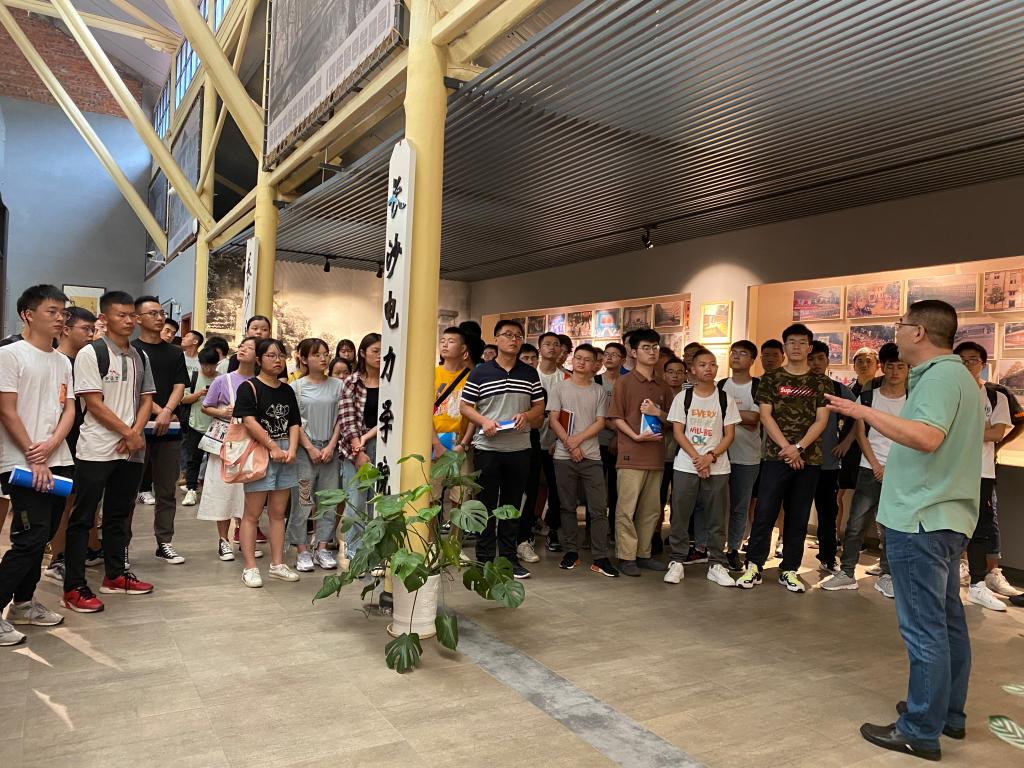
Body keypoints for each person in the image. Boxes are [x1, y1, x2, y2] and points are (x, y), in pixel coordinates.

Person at [826, 300, 982, 761]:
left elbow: (926, 437)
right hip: (943, 517)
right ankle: (945, 712)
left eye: (900, 325)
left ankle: (919, 729)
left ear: (918, 332)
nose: (895, 333)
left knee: (925, 628)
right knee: (946, 622)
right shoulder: (958, 377)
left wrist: (864, 413)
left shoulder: (939, 377)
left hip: (921, 519)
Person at [64, 291, 156, 613]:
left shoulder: (140, 356)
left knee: (119, 515)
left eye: (132, 315)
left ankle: (115, 575)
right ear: (104, 318)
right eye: (121, 315)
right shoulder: (92, 353)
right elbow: (93, 403)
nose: (129, 321)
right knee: (83, 518)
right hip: (97, 448)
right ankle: (74, 587)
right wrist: (128, 433)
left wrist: (135, 433)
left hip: (131, 450)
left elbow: (147, 398)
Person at [0, 285, 77, 645]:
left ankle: (23, 604)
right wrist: (35, 454)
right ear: (28, 315)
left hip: (57, 458)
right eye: (52, 311)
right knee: (29, 538)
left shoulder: (62, 361)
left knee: (44, 535)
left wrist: (52, 446)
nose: (60, 318)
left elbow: (69, 409)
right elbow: (6, 410)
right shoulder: (10, 355)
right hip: (21, 461)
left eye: (63, 312)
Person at [736, 323, 829, 593]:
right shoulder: (771, 378)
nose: (796, 347)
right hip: (775, 457)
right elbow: (766, 416)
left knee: (798, 516)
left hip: (808, 459)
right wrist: (788, 448)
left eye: (802, 342)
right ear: (785, 346)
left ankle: (789, 569)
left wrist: (799, 447)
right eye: (791, 342)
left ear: (809, 348)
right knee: (765, 511)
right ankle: (754, 565)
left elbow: (821, 420)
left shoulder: (820, 381)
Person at [820, 343, 907, 596]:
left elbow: (910, 436)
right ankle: (847, 572)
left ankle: (887, 574)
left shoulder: (914, 400)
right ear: (883, 368)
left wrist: (890, 467)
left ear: (907, 369)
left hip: (900, 472)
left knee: (892, 526)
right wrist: (876, 465)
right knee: (856, 523)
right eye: (890, 366)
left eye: (900, 366)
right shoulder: (869, 398)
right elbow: (861, 434)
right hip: (869, 468)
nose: (894, 371)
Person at [460, 320, 544, 579]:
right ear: (496, 339)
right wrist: (484, 421)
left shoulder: (529, 373)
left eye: (518, 335)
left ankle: (508, 559)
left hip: (519, 449)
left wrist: (526, 416)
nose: (514, 339)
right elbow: (465, 406)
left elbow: (539, 407)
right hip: (488, 448)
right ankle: (485, 558)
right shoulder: (481, 372)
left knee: (511, 506)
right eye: (508, 334)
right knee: (485, 505)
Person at [664, 347, 740, 588]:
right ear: (693, 370)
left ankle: (717, 563)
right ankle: (677, 560)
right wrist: (698, 459)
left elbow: (729, 435)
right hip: (687, 465)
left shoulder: (725, 399)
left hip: (718, 467)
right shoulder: (683, 398)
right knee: (680, 513)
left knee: (717, 517)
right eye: (703, 364)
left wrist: (710, 457)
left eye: (713, 364)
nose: (709, 368)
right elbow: (678, 432)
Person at [954, 341, 1021, 608]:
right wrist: (980, 429)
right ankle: (950, 576)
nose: (967, 364)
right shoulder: (948, 392)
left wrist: (960, 430)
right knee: (949, 524)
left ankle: (978, 583)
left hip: (980, 470)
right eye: (961, 360)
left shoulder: (996, 396)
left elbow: (996, 433)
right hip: (948, 469)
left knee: (981, 526)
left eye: (973, 359)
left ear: (982, 364)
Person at [234, 338, 303, 588]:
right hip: (260, 451)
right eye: (271, 355)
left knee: (277, 513)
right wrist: (273, 446)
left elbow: (294, 422)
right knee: (252, 514)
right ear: (259, 359)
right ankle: (250, 567)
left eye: (281, 355)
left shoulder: (287, 390)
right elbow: (249, 421)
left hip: (284, 452)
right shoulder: (249, 387)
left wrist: (292, 448)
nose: (277, 360)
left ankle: (277, 564)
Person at [606, 329, 675, 577]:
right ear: (633, 352)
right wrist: (634, 436)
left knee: (651, 509)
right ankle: (626, 556)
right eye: (646, 347)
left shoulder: (663, 385)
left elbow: (672, 420)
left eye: (655, 347)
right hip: (630, 454)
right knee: (626, 509)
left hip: (656, 456)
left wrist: (658, 412)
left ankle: (643, 553)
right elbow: (615, 417)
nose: (652, 352)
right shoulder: (624, 382)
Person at [547, 343, 618, 577]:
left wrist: (576, 442)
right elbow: (554, 419)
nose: (581, 362)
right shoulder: (559, 388)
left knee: (598, 508)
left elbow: (600, 422)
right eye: (578, 358)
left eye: (587, 359)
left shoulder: (598, 391)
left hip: (591, 455)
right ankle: (571, 552)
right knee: (567, 506)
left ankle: (600, 556)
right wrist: (569, 444)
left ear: (595, 365)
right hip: (563, 456)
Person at [131, 296, 190, 565]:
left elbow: (180, 385)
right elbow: (136, 388)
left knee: (167, 490)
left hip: (170, 429)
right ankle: (122, 547)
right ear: (138, 318)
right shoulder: (131, 351)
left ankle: (164, 542)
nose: (159, 318)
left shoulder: (174, 353)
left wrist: (167, 411)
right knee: (128, 491)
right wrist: (157, 411)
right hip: (137, 428)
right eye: (152, 313)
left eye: (161, 313)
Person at [43, 306, 99, 585]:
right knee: (62, 502)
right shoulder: (56, 362)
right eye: (85, 329)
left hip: (82, 439)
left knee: (78, 500)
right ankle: (58, 558)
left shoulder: (83, 362)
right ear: (66, 330)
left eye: (93, 330)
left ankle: (84, 550)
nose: (91, 335)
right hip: (57, 441)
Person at [197, 337, 258, 561]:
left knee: (247, 493)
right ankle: (223, 540)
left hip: (251, 443)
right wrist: (223, 412)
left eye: (249, 348)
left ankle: (245, 538)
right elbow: (206, 407)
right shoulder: (223, 380)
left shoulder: (260, 382)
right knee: (222, 490)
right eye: (242, 346)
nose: (242, 349)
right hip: (226, 442)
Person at [286, 338, 343, 572]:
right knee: (303, 501)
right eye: (316, 354)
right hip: (304, 452)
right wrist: (309, 447)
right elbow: (294, 422)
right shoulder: (296, 387)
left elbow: (341, 418)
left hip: (330, 451)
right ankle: (301, 550)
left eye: (325, 354)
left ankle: (322, 548)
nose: (323, 358)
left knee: (329, 500)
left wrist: (331, 446)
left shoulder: (338, 385)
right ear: (304, 358)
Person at [808, 340, 855, 574]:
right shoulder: (796, 386)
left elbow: (858, 415)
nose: (816, 363)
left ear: (828, 361)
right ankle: (789, 557)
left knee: (828, 512)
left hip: (828, 462)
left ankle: (828, 557)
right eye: (811, 359)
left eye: (820, 358)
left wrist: (846, 442)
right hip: (800, 461)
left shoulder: (837, 389)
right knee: (796, 510)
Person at [337, 333, 382, 560]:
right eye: (375, 351)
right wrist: (359, 450)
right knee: (355, 500)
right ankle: (355, 551)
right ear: (363, 353)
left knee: (378, 499)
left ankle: (375, 550)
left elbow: (389, 417)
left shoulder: (390, 382)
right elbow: (347, 419)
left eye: (383, 351)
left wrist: (367, 439)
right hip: (354, 447)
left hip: (383, 444)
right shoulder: (352, 382)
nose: (380, 355)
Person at [719, 340, 761, 571]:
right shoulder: (721, 385)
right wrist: (740, 415)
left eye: (742, 353)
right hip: (719, 454)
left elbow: (754, 419)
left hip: (747, 456)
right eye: (733, 352)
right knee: (716, 504)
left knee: (740, 506)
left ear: (752, 360)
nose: (736, 356)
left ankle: (733, 548)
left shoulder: (758, 386)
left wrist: (725, 412)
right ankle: (711, 546)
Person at [535, 332, 568, 552]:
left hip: (556, 441)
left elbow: (568, 411)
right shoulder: (530, 375)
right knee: (529, 486)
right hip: (530, 439)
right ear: (540, 348)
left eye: (556, 344)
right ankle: (528, 527)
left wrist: (560, 439)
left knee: (557, 488)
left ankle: (553, 529)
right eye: (547, 344)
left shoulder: (565, 378)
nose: (552, 348)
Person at [180, 348, 220, 507]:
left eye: (212, 365)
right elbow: (183, 399)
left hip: (216, 427)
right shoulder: (193, 377)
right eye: (205, 366)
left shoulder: (222, 379)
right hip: (195, 424)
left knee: (215, 462)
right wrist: (199, 394)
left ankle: (213, 491)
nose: (209, 369)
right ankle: (191, 489)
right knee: (193, 459)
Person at [655, 357, 686, 555]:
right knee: (657, 498)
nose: (675, 375)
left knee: (680, 499)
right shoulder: (657, 394)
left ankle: (676, 535)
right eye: (671, 371)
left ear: (685, 375)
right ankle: (655, 534)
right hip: (659, 454)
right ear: (664, 374)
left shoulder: (690, 396)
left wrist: (661, 415)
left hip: (683, 455)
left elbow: (678, 423)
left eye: (679, 371)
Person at [596, 342, 626, 538]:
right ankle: (594, 531)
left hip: (622, 442)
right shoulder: (595, 381)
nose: (609, 357)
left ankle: (615, 530)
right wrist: (609, 426)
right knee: (597, 489)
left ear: (623, 359)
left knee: (617, 489)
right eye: (606, 354)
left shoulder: (627, 382)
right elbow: (592, 411)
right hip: (597, 441)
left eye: (614, 355)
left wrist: (618, 434)